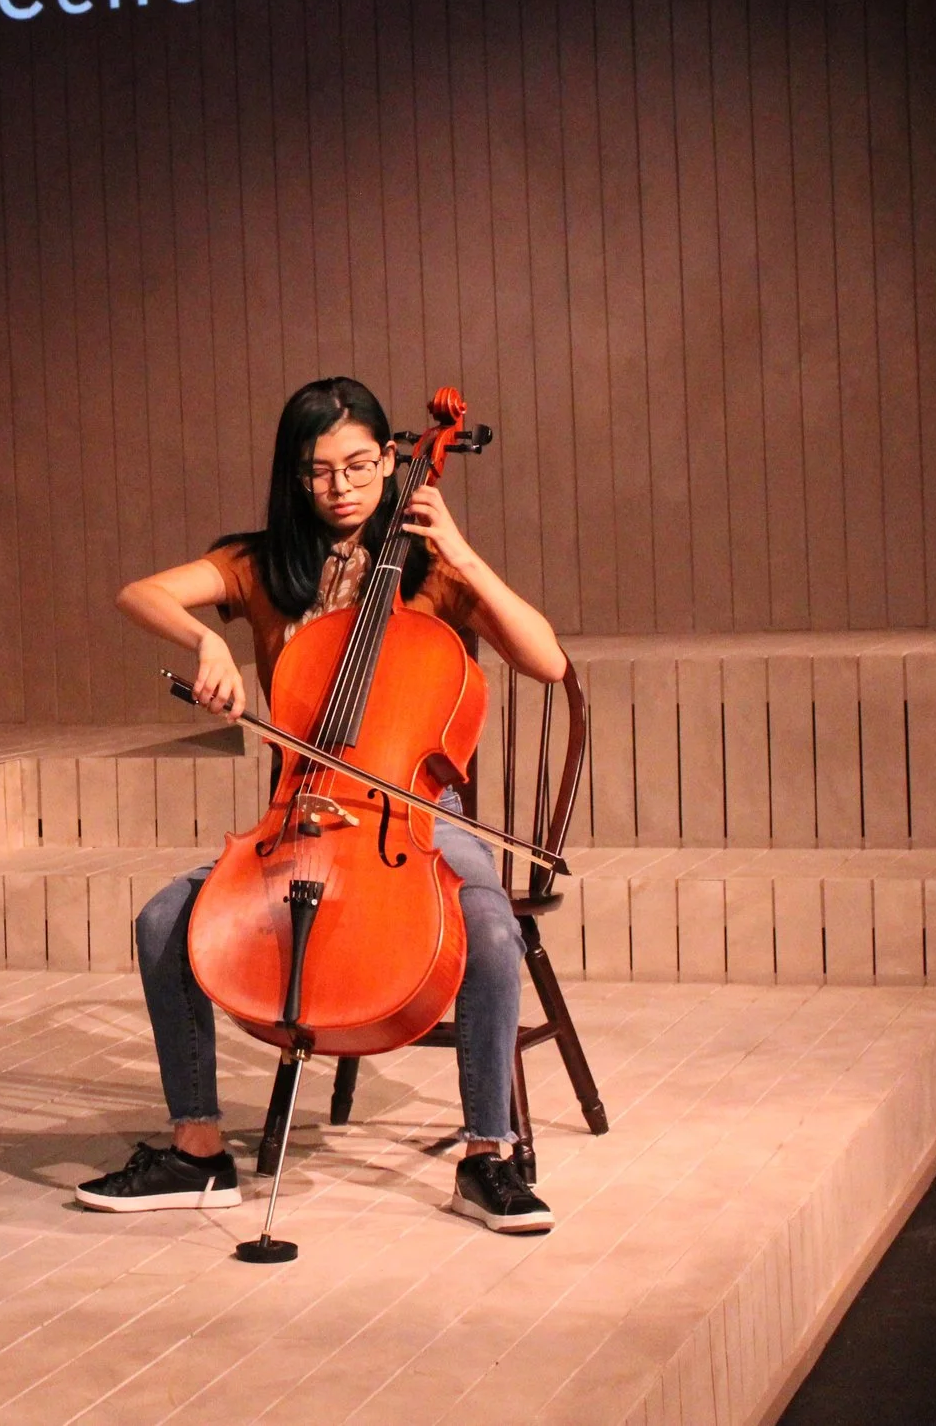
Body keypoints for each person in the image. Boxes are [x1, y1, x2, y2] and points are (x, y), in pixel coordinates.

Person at [74, 377, 570, 1235]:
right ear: (294, 474)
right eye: (319, 470)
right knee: (162, 922)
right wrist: (205, 639)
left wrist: (461, 550)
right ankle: (197, 1150)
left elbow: (548, 660)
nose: (341, 485)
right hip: (300, 816)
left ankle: (487, 1156)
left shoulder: (432, 568)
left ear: (391, 460)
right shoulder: (263, 564)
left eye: (360, 464)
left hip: (415, 816)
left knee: (489, 929)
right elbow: (137, 592)